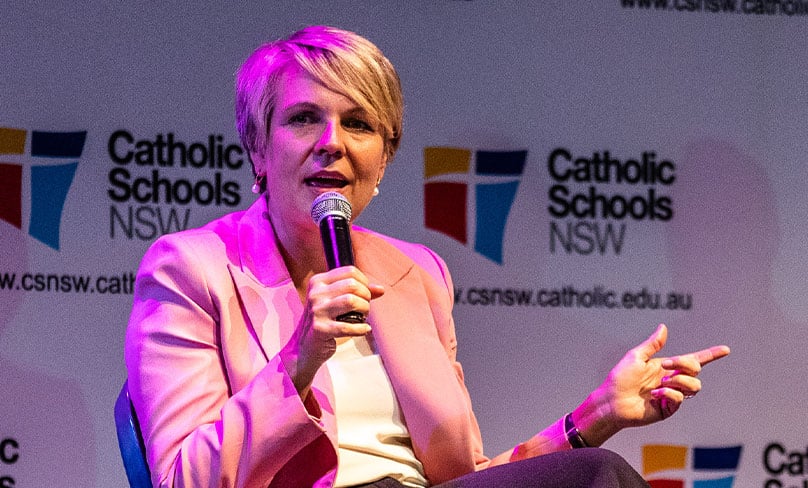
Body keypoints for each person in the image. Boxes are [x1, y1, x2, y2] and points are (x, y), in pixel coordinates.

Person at [125, 25, 730, 488]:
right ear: (258, 147)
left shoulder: (418, 274)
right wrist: (299, 360)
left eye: (358, 124)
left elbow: (468, 476)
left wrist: (595, 414)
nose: (331, 143)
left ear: (383, 159)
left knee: (597, 469)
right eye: (304, 118)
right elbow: (183, 478)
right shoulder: (192, 268)